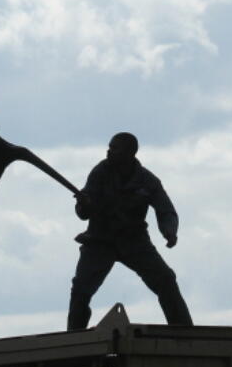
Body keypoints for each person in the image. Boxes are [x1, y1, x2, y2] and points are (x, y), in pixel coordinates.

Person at [68, 132, 192, 330]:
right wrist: (84, 205)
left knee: (166, 280)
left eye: (115, 148)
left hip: (134, 242)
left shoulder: (147, 180)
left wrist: (170, 231)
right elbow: (83, 213)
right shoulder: (100, 172)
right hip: (100, 241)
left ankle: (185, 333)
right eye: (109, 147)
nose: (109, 151)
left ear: (130, 153)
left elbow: (166, 210)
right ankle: (74, 336)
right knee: (81, 290)